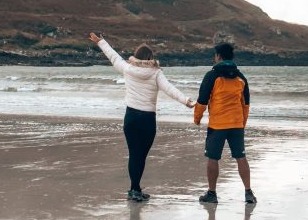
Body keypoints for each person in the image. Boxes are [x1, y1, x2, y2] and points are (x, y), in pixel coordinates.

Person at [89, 32, 195, 202]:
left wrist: (101, 42)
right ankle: (134, 190)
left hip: (130, 118)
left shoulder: (127, 68)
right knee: (141, 156)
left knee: (134, 154)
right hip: (147, 120)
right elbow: (169, 89)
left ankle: (135, 189)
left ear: (136, 56)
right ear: (151, 57)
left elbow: (113, 56)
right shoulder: (156, 73)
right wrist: (187, 101)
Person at [194, 42, 257, 204]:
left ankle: (212, 193)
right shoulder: (240, 77)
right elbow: (246, 104)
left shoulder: (212, 76)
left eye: (215, 55)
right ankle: (248, 193)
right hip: (236, 124)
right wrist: (242, 123)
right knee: (241, 157)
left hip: (217, 125)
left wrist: (197, 118)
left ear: (218, 56)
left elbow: (202, 101)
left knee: (213, 158)